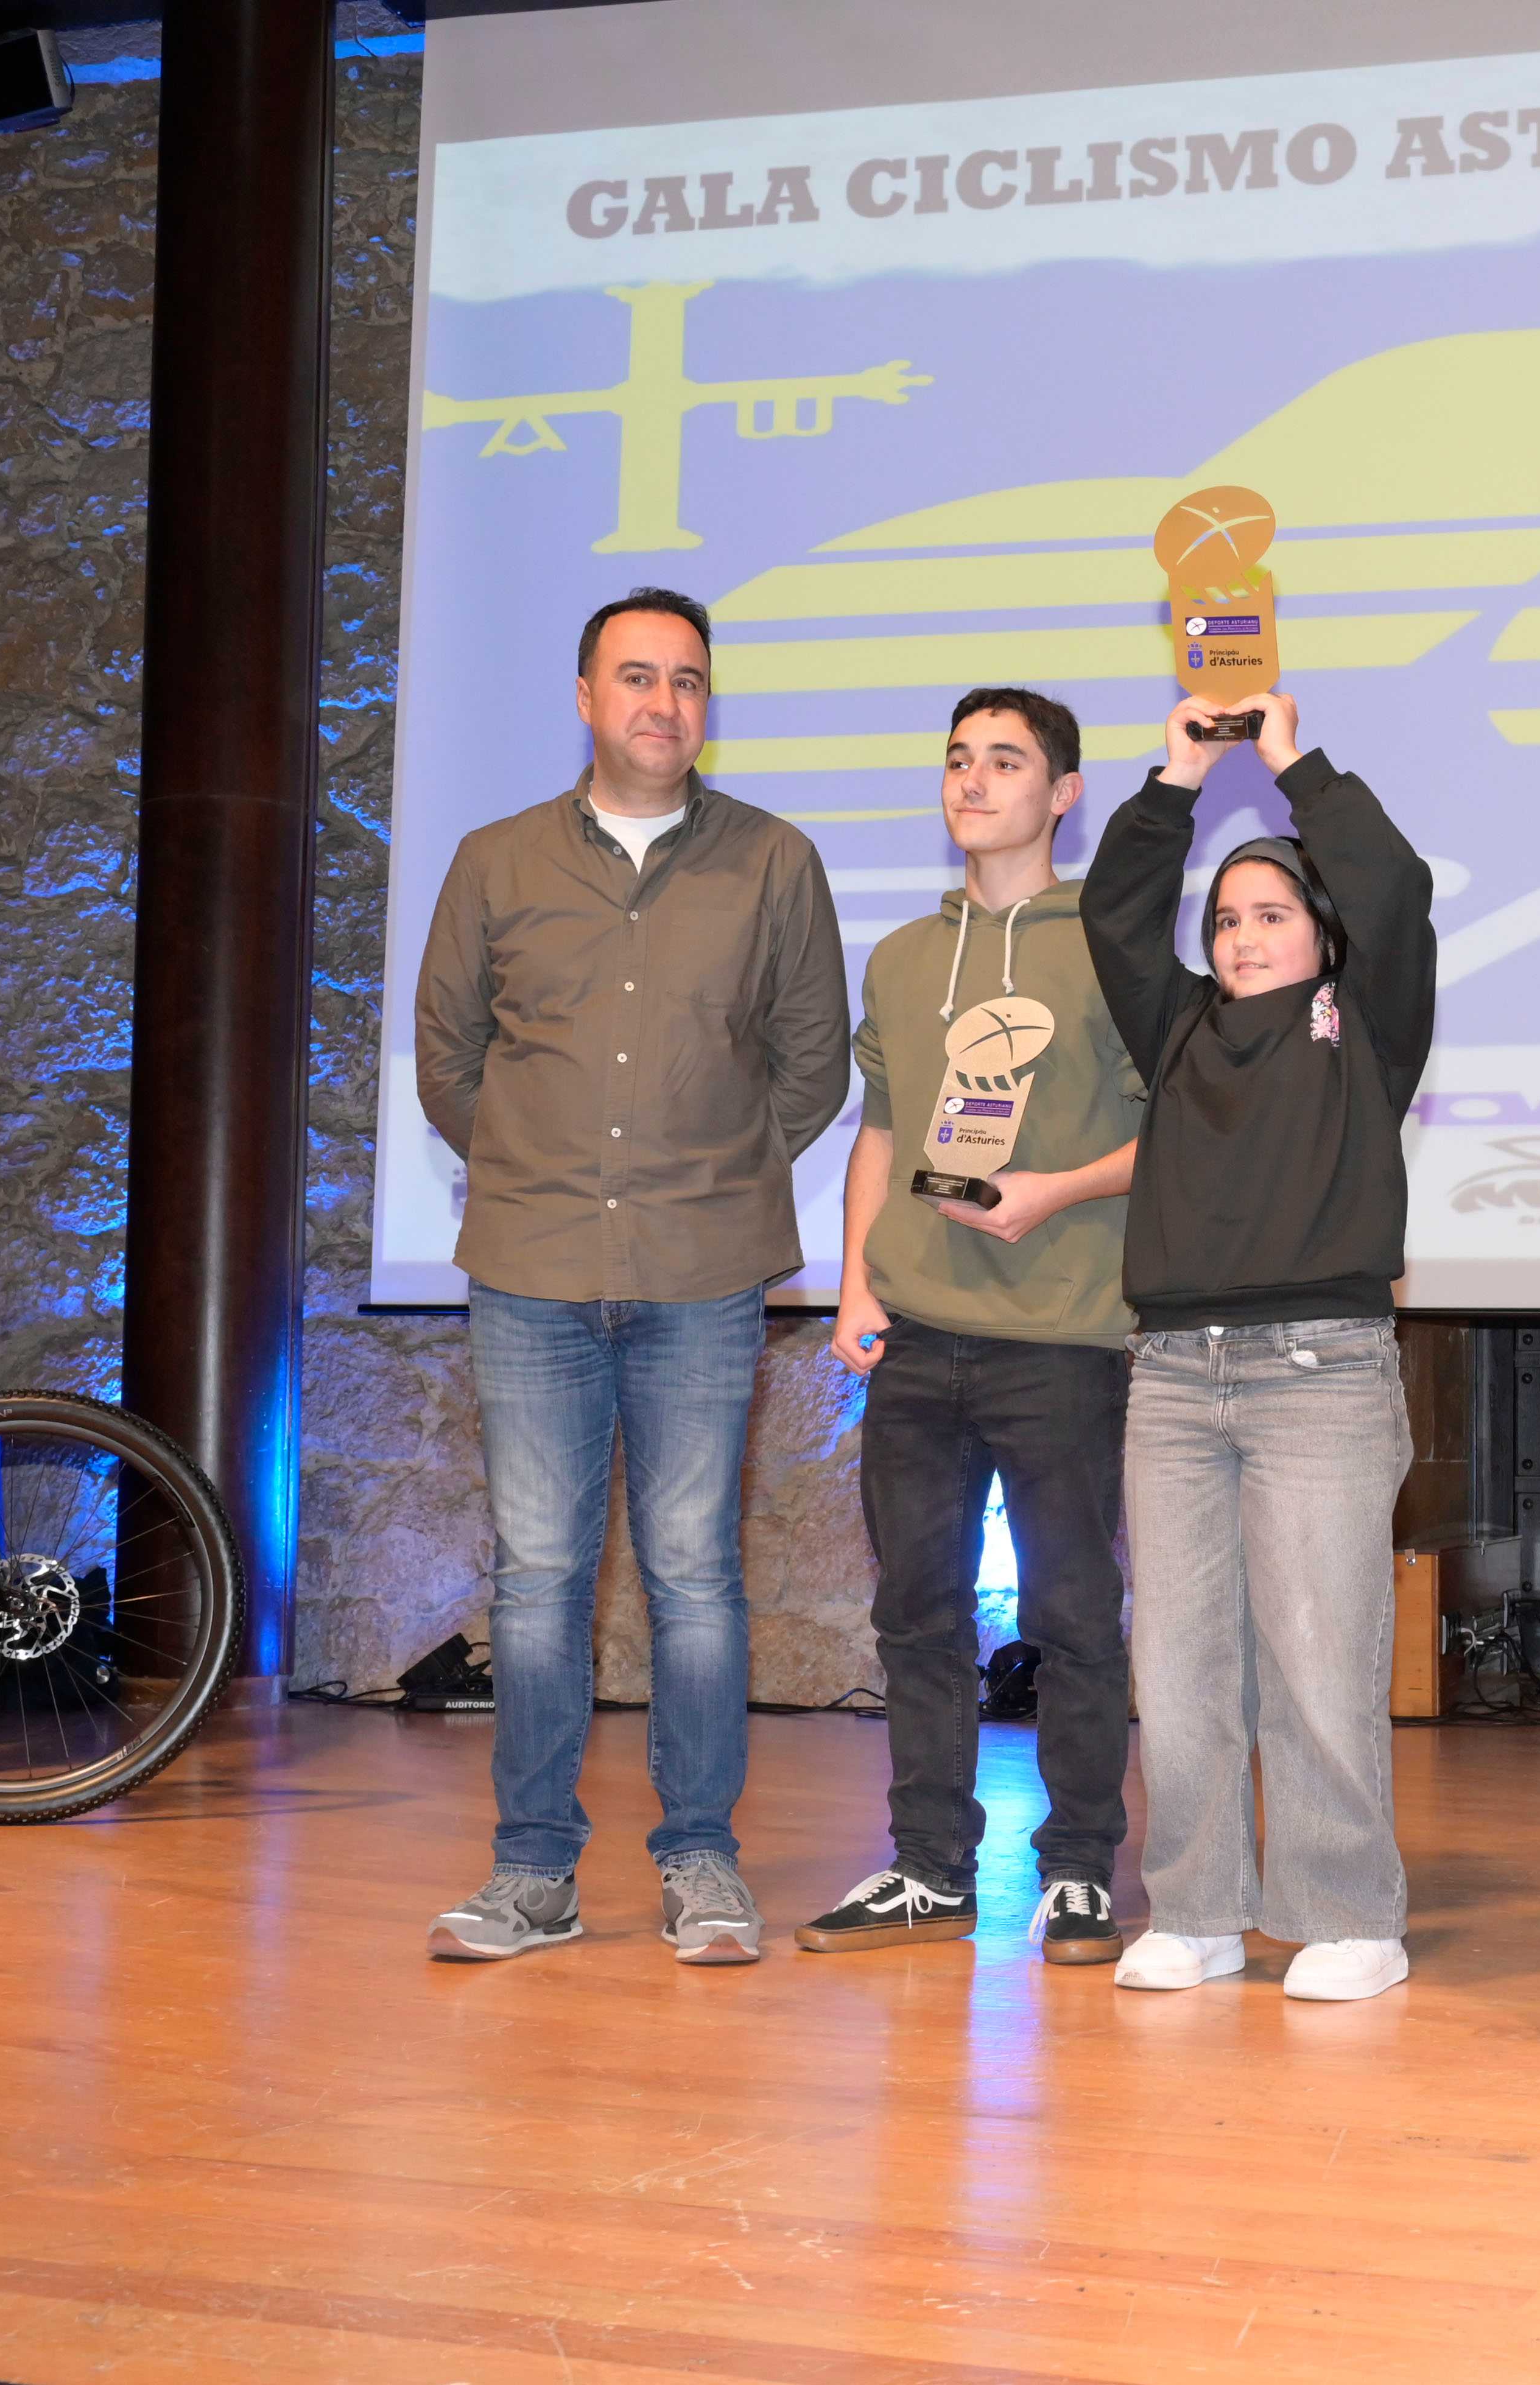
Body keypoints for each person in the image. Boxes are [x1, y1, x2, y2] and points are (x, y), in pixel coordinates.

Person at [415, 585, 849, 1967]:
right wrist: (544, 1173)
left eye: (689, 681)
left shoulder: (774, 862)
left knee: (696, 1576)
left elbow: (813, 1059)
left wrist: (709, 1174)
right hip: (531, 1268)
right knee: (537, 1578)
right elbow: (448, 1055)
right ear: (589, 696)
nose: (665, 703)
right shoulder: (494, 860)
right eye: (638, 677)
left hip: (703, 1270)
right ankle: (533, 1873)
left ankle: (702, 1861)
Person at [1080, 689, 1432, 2002]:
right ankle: (1199, 1904)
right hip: (1172, 1378)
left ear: (1325, 935)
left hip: (1320, 1375)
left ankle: (1348, 1913)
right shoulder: (1177, 1028)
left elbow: (1390, 883)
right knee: (1175, 1665)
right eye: (1224, 917)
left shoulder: (1365, 1025)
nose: (1239, 932)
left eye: (1271, 910)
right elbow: (1116, 909)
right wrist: (1180, 774)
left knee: (1320, 1656)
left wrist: (1285, 758)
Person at [808, 687, 1140, 1965]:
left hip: (1061, 1335)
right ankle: (930, 1865)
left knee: (1072, 1611)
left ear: (1063, 793)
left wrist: (1055, 1190)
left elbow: (1170, 1125)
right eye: (958, 758)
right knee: (918, 1612)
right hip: (919, 1334)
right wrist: (856, 1282)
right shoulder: (900, 956)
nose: (975, 779)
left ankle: (1079, 1871)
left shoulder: (1114, 943)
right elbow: (881, 1130)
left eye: (1007, 761)